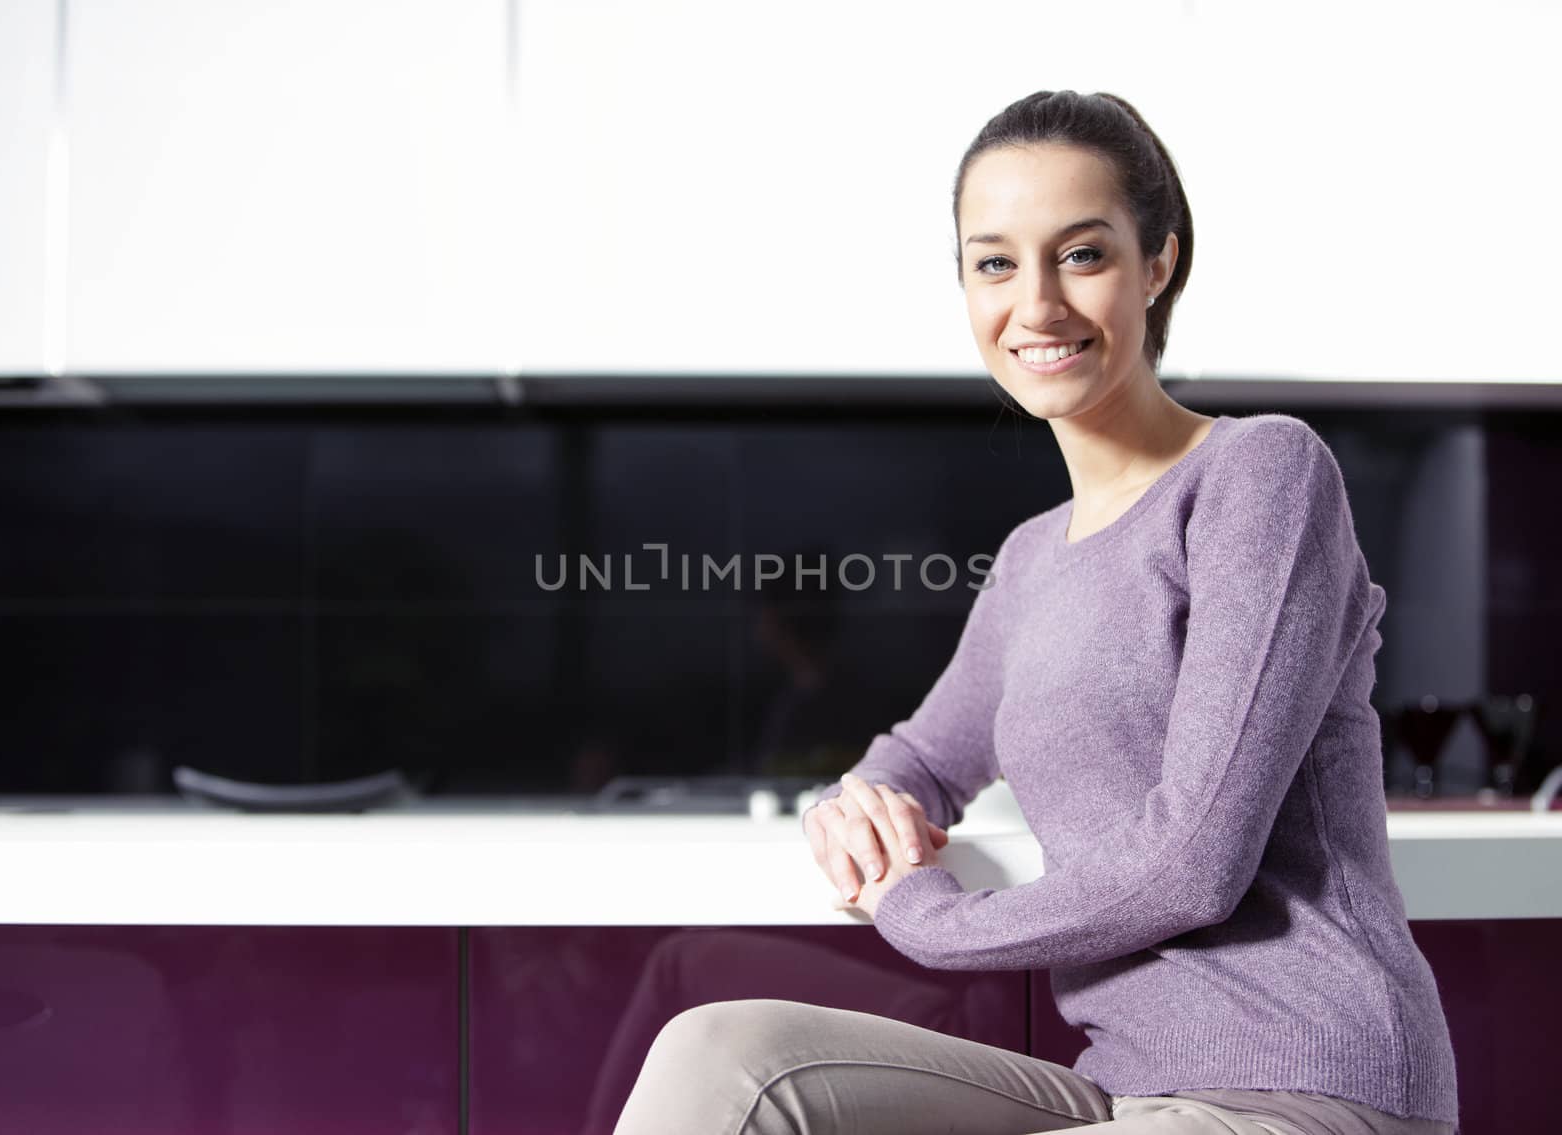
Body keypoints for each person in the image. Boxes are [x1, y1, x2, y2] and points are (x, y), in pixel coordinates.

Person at [610, 90, 1460, 1134]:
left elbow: (1193, 861)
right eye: (996, 263)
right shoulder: (1029, 560)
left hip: (1311, 1088)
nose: (1038, 304)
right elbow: (922, 757)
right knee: (722, 1053)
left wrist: (923, 913)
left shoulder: (1260, 474)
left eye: (1084, 254)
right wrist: (858, 801)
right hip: (1129, 1089)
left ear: (1159, 264)